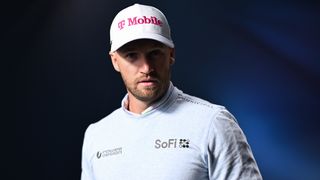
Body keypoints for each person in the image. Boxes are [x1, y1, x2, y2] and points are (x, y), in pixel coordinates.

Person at [81, 3, 262, 180]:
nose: (146, 67)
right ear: (114, 61)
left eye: (155, 53)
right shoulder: (97, 135)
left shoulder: (212, 124)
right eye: (132, 55)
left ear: (171, 54)